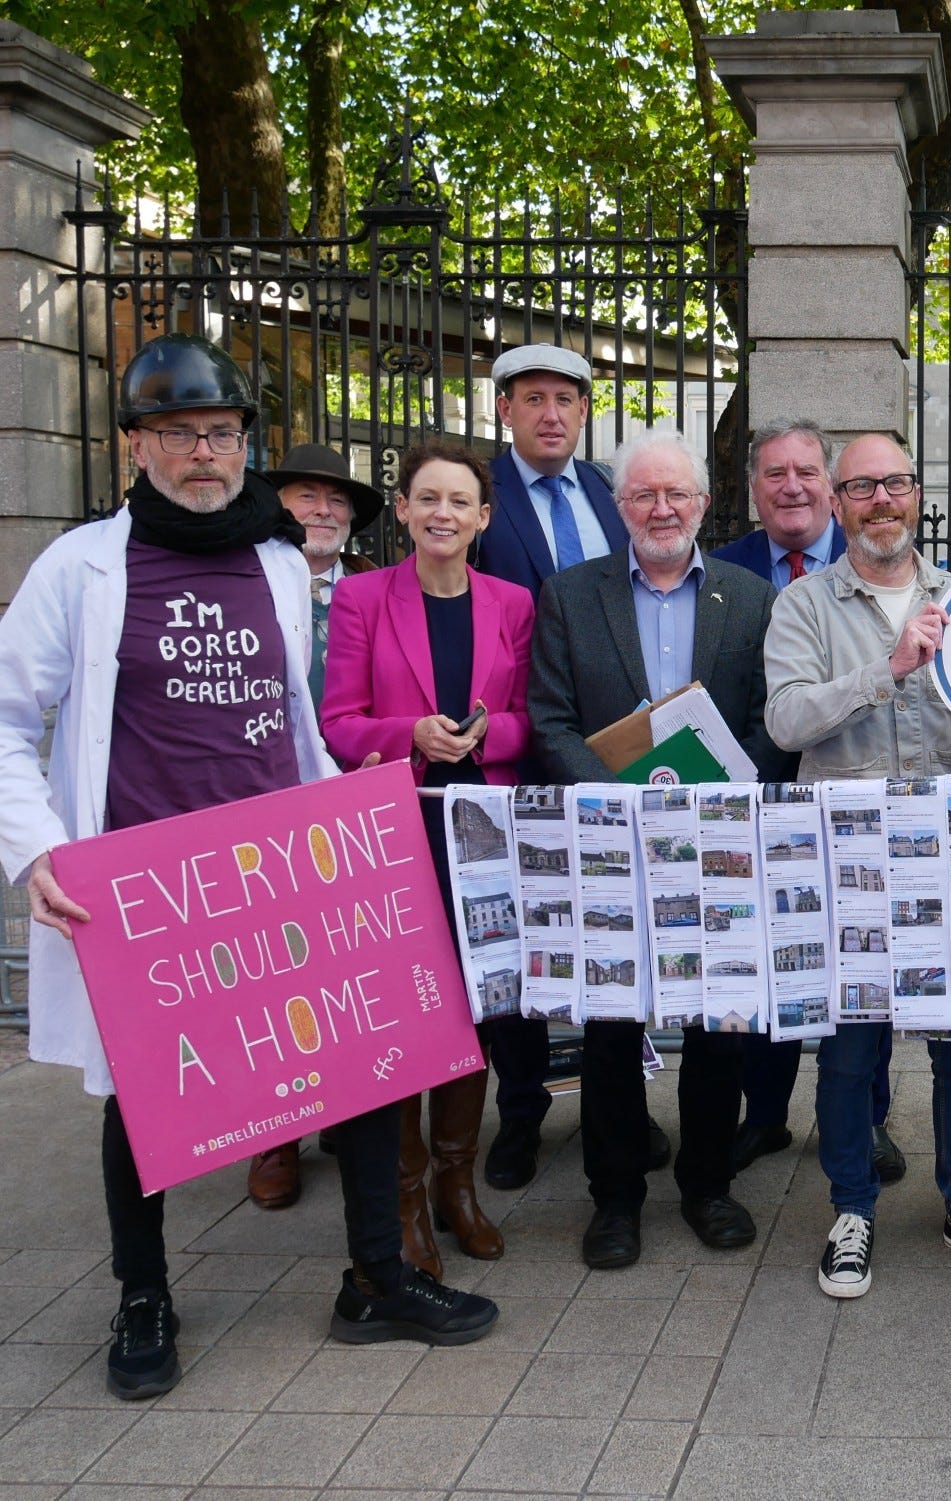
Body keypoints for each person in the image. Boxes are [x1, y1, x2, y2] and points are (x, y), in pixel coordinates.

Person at [0, 335, 497, 1400]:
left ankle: (375, 1275)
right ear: (134, 444)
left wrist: (354, 822)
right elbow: (9, 720)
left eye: (220, 433)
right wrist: (37, 849)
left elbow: (290, 723)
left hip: (280, 869)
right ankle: (144, 1295)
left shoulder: (277, 560)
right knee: (146, 1094)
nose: (202, 454)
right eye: (176, 433)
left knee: (363, 1059)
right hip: (149, 886)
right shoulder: (81, 567)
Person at [765, 431, 951, 1300]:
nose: (881, 500)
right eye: (862, 488)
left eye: (895, 484)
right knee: (851, 1053)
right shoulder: (804, 606)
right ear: (837, 503)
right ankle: (851, 1210)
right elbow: (784, 721)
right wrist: (886, 670)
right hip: (850, 866)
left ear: (917, 493)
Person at [527, 427, 787, 1267]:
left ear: (706, 503)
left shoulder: (750, 598)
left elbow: (768, 721)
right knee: (609, 1024)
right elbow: (551, 720)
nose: (662, 508)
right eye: (644, 495)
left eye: (677, 493)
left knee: (717, 1022)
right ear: (620, 506)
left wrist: (726, 791)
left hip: (713, 848)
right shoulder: (570, 595)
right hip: (610, 846)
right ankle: (615, 1199)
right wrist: (615, 799)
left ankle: (709, 1186)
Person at [319, 441, 535, 1278]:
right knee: (403, 1016)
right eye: (427, 498)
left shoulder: (513, 602)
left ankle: (458, 1183)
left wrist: (488, 733)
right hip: (392, 831)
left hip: (480, 832)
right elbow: (338, 724)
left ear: (484, 518)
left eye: (461, 500)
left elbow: (528, 716)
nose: (443, 512)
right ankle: (406, 1198)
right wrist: (408, 734)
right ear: (403, 509)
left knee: (472, 1011)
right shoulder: (363, 597)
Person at [473, 343, 665, 1192]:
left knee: (617, 941)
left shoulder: (605, 493)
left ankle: (619, 1108)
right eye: (534, 398)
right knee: (522, 936)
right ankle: (520, 1109)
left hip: (618, 754)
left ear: (585, 413)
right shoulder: (480, 497)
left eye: (567, 399)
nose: (552, 413)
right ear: (505, 409)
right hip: (523, 747)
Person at [711, 420, 905, 1187]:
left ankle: (869, 1119)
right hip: (763, 791)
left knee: (870, 977)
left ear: (830, 487)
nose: (792, 486)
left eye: (806, 472)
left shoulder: (889, 571)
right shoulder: (727, 571)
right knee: (777, 970)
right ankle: (765, 1112)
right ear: (754, 488)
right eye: (773, 474)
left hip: (859, 802)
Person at [240, 441, 385, 1210]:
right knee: (280, 975)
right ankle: (275, 1136)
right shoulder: (248, 584)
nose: (322, 510)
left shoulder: (367, 588)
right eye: (305, 495)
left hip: (358, 804)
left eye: (336, 500)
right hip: (272, 803)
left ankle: (346, 1110)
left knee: (348, 974)